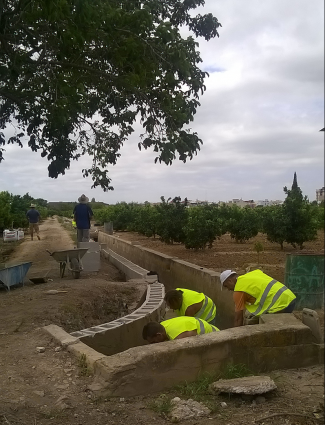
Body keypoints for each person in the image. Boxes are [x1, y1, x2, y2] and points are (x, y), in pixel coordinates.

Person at [220, 269, 296, 327]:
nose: (228, 289)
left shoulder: (239, 290)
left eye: (226, 286)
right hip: (290, 298)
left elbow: (238, 318)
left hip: (282, 304)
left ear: (230, 281)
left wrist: (235, 337)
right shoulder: (252, 275)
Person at [142, 316, 219, 344]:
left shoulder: (179, 337)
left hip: (216, 336)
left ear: (159, 335)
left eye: (154, 342)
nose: (154, 345)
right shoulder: (163, 325)